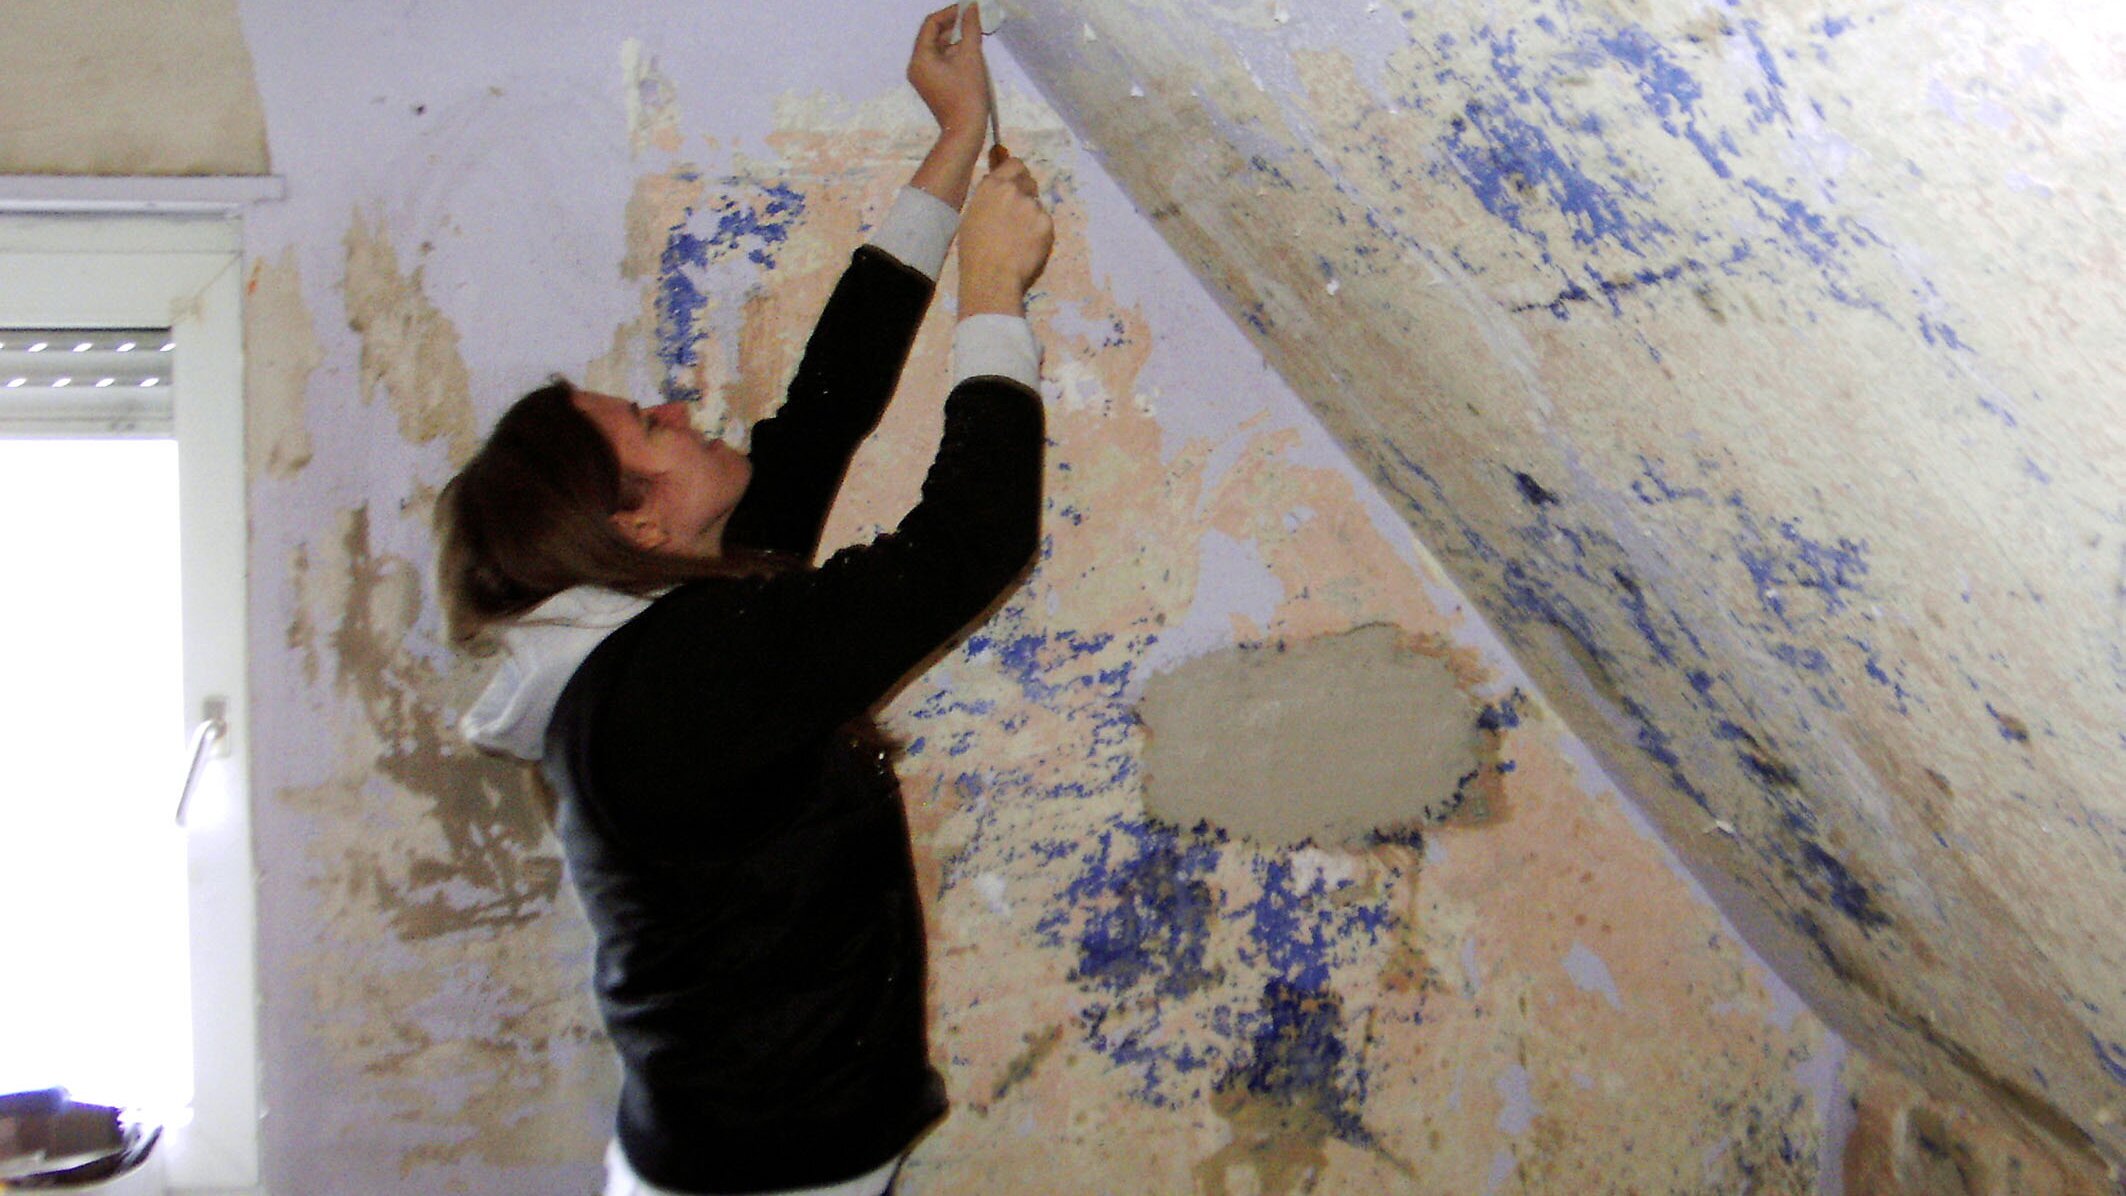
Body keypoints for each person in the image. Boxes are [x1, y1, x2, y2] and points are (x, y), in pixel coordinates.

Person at [433, 8, 1054, 1194]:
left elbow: (824, 406)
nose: (674, 407)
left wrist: (954, 139)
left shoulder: (653, 639)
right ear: (633, 523)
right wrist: (991, 289)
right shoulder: (674, 683)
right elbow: (968, 542)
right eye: (647, 425)